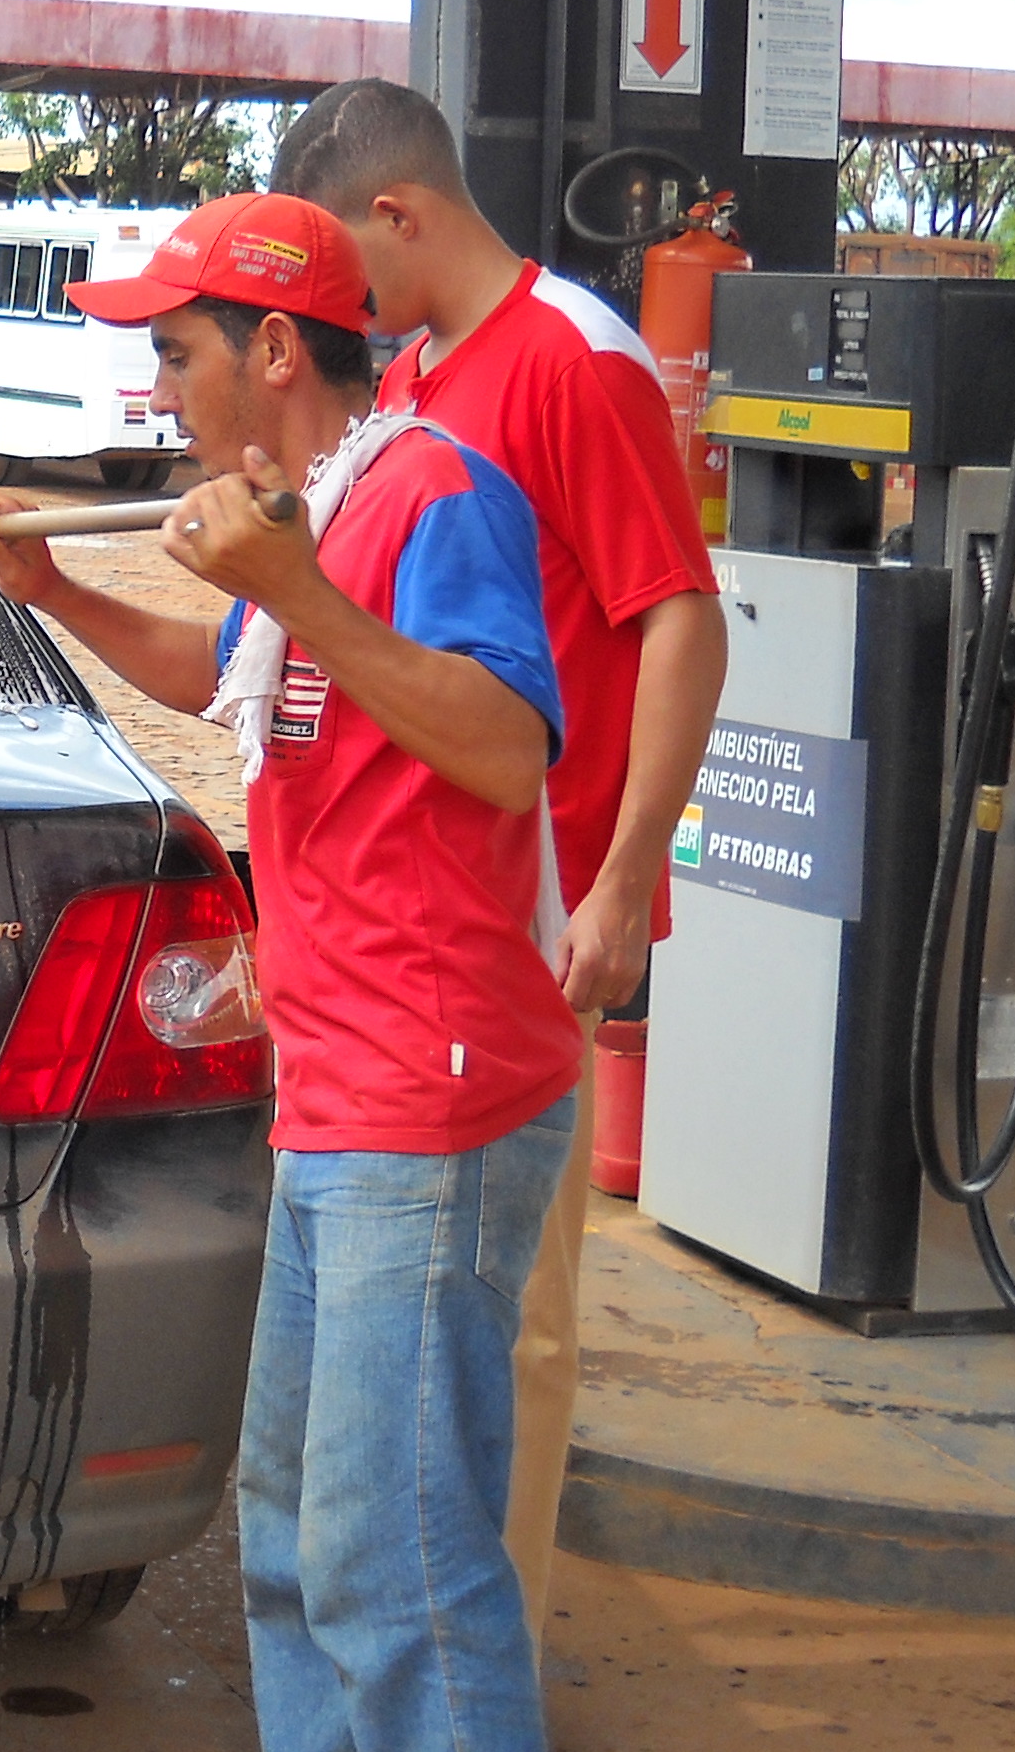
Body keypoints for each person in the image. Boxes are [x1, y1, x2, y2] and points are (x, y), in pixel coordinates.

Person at [0, 193, 629, 1752]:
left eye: (172, 346)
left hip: (435, 1094)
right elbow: (242, 678)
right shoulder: (286, 520)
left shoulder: (434, 499)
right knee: (290, 1524)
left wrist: (307, 591)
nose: (149, 380)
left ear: (275, 347)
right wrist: (68, 598)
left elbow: (511, 746)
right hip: (339, 1084)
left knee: (408, 1557)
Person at [273, 80, 725, 1641]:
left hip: (542, 919)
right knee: (454, 1326)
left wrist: (619, 883)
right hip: (434, 923)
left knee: (516, 1325)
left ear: (397, 214)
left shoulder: (571, 360)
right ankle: (441, 1665)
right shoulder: (414, 380)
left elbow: (680, 616)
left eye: (344, 257)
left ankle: (486, 1676)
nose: (336, 303)